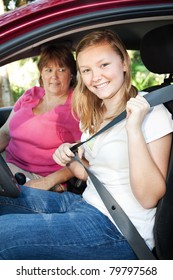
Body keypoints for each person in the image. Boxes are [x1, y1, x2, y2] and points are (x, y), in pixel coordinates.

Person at [0, 30, 172, 260]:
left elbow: (149, 198)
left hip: (118, 230)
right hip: (83, 204)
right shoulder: (95, 113)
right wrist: (71, 156)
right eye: (87, 70)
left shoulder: (152, 113)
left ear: (123, 63)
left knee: (4, 236)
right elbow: (90, 173)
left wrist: (133, 130)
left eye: (103, 65)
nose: (96, 77)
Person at [0, 44, 81, 191]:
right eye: (49, 70)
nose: (54, 76)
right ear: (41, 73)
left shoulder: (77, 107)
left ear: (71, 74)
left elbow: (84, 159)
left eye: (61, 69)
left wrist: (48, 182)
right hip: (7, 163)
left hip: (41, 178)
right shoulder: (30, 94)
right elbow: (5, 133)